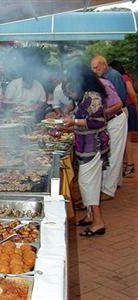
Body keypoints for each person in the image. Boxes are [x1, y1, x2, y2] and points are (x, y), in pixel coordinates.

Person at [60, 63, 109, 237]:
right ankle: (90, 216)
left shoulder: (93, 95)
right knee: (87, 183)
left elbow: (98, 122)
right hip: (84, 145)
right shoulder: (85, 95)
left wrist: (74, 123)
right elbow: (83, 118)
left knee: (88, 184)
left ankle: (98, 222)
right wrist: (72, 126)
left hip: (93, 145)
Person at [90, 55, 128, 201]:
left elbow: (120, 101)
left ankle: (108, 190)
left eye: (96, 67)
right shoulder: (102, 79)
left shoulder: (112, 77)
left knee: (114, 155)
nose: (94, 70)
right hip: (110, 119)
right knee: (112, 153)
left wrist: (99, 114)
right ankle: (112, 184)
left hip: (116, 117)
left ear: (104, 65)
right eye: (92, 68)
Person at [109, 60, 137, 178]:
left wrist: (136, 106)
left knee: (127, 139)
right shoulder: (122, 77)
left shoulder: (123, 77)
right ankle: (125, 164)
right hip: (128, 107)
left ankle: (130, 165)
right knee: (125, 139)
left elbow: (131, 92)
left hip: (128, 108)